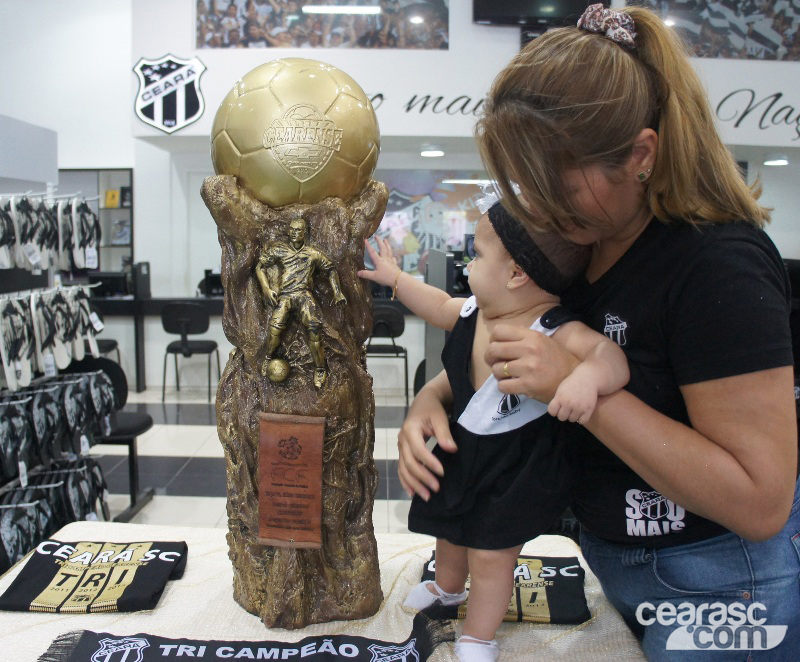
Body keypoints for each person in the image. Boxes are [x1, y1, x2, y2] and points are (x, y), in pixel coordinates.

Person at [398, 5, 800, 659]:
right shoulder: (585, 245)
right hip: (606, 557)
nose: (540, 203)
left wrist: (583, 389)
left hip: (722, 585)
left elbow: (759, 502)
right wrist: (431, 402)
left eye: (559, 175)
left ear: (641, 154)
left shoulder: (716, 265)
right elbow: (510, 346)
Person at [359, 200, 629, 662]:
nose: (468, 266)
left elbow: (610, 358)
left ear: (516, 274)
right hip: (463, 450)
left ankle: (479, 637)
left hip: (517, 466)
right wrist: (396, 279)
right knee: (449, 532)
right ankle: (446, 590)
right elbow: (439, 305)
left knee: (491, 556)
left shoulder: (555, 330)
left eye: (478, 256)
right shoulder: (474, 313)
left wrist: (585, 379)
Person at [256, 217, 346, 388]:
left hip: (304, 295)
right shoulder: (279, 250)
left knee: (314, 330)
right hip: (285, 296)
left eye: (298, 230)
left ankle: (320, 369)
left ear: (304, 233)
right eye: (291, 229)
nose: (293, 233)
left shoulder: (312, 254)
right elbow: (260, 267)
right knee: (275, 327)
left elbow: (331, 269)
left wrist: (337, 292)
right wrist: (266, 289)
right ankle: (268, 357)